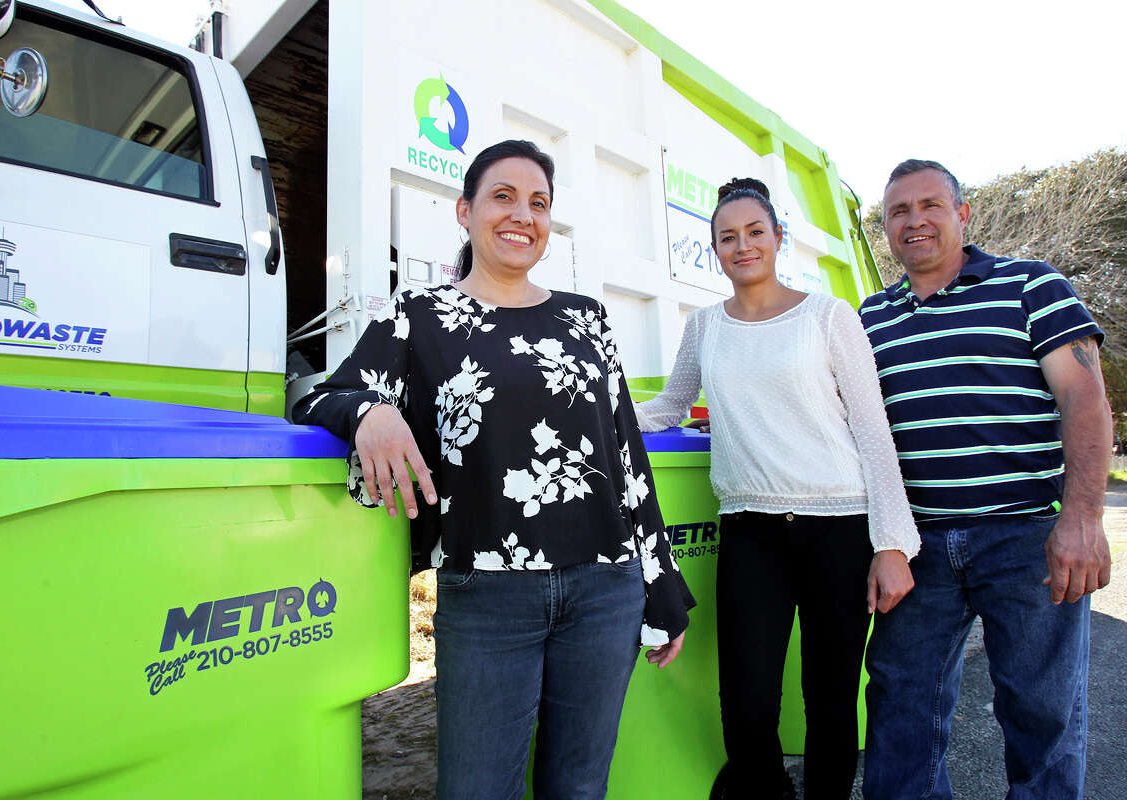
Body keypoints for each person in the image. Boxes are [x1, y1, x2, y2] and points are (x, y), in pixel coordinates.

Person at [292, 139, 694, 800]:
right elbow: (318, 394)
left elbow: (627, 456)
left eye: (539, 203)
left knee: (579, 787)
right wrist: (371, 411)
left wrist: (662, 582)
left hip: (606, 588)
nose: (523, 215)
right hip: (487, 599)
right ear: (465, 212)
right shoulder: (419, 316)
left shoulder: (585, 319)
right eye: (503, 196)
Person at [635, 178, 919, 800]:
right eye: (727, 238)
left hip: (838, 527)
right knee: (746, 697)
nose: (743, 246)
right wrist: (594, 415)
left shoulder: (828, 316)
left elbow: (873, 430)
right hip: (749, 530)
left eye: (755, 232)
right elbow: (671, 406)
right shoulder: (706, 326)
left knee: (830, 692)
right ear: (714, 249)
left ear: (777, 238)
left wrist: (892, 543)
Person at [859, 159, 1113, 799]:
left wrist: (1082, 520)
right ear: (886, 228)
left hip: (1025, 538)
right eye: (898, 212)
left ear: (963, 214)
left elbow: (1084, 399)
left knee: (1042, 714)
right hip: (915, 546)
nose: (914, 221)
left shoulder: (1031, 286)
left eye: (930, 206)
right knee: (901, 711)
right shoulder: (869, 319)